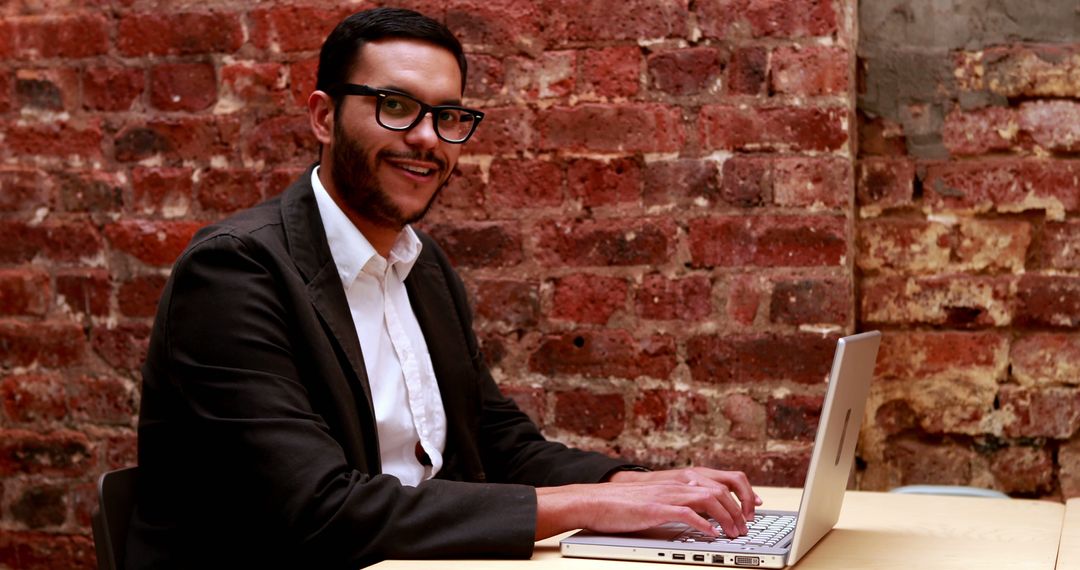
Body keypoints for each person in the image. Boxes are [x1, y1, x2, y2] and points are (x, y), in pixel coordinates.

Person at [127, 7, 760, 569]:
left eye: (448, 116)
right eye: (395, 106)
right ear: (324, 117)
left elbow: (497, 440)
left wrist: (644, 485)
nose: (428, 138)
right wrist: (588, 505)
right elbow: (318, 509)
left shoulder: (420, 264)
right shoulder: (235, 272)